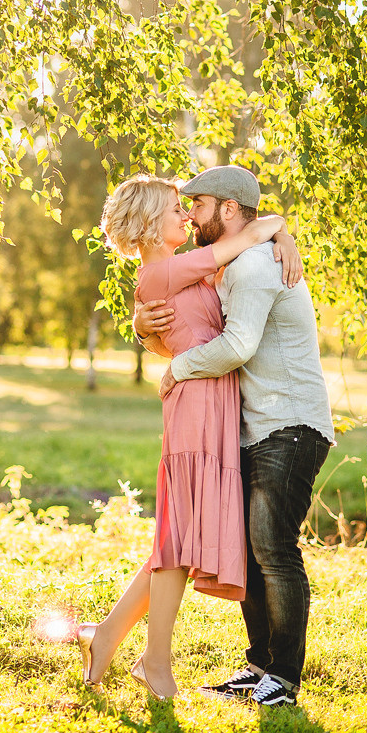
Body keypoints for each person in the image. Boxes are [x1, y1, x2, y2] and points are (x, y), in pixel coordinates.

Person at [76, 175, 301, 701]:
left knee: (177, 539)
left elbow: (182, 335)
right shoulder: (163, 273)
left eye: (188, 208)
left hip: (212, 407)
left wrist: (281, 238)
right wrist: (276, 231)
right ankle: (154, 661)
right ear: (152, 222)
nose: (186, 217)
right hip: (196, 412)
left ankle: (108, 637)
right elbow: (243, 238)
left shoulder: (177, 275)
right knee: (177, 543)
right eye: (177, 210)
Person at [135, 164, 334, 708]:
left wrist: (178, 369)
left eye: (197, 205)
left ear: (226, 209)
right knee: (251, 550)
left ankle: (284, 680)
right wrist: (144, 326)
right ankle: (259, 666)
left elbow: (239, 344)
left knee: (274, 550)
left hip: (290, 425)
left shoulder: (252, 266)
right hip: (257, 427)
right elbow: (181, 311)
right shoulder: (233, 263)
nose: (190, 214)